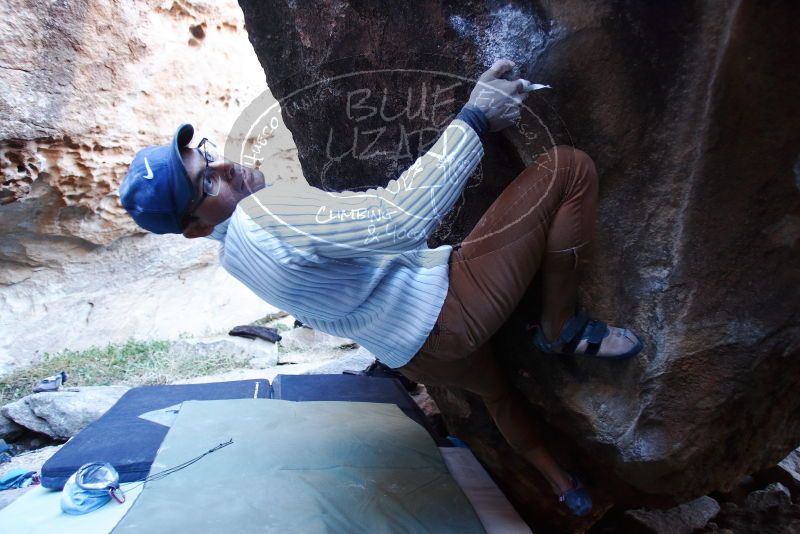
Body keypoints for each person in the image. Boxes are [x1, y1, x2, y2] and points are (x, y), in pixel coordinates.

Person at [119, 58, 643, 517]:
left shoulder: (235, 255)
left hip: (414, 354)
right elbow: (398, 221)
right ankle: (560, 328)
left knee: (498, 394)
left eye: (207, 157)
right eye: (206, 182)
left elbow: (365, 236)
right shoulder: (265, 215)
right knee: (568, 169)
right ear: (192, 227)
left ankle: (559, 483)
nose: (225, 168)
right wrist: (476, 118)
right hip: (449, 310)